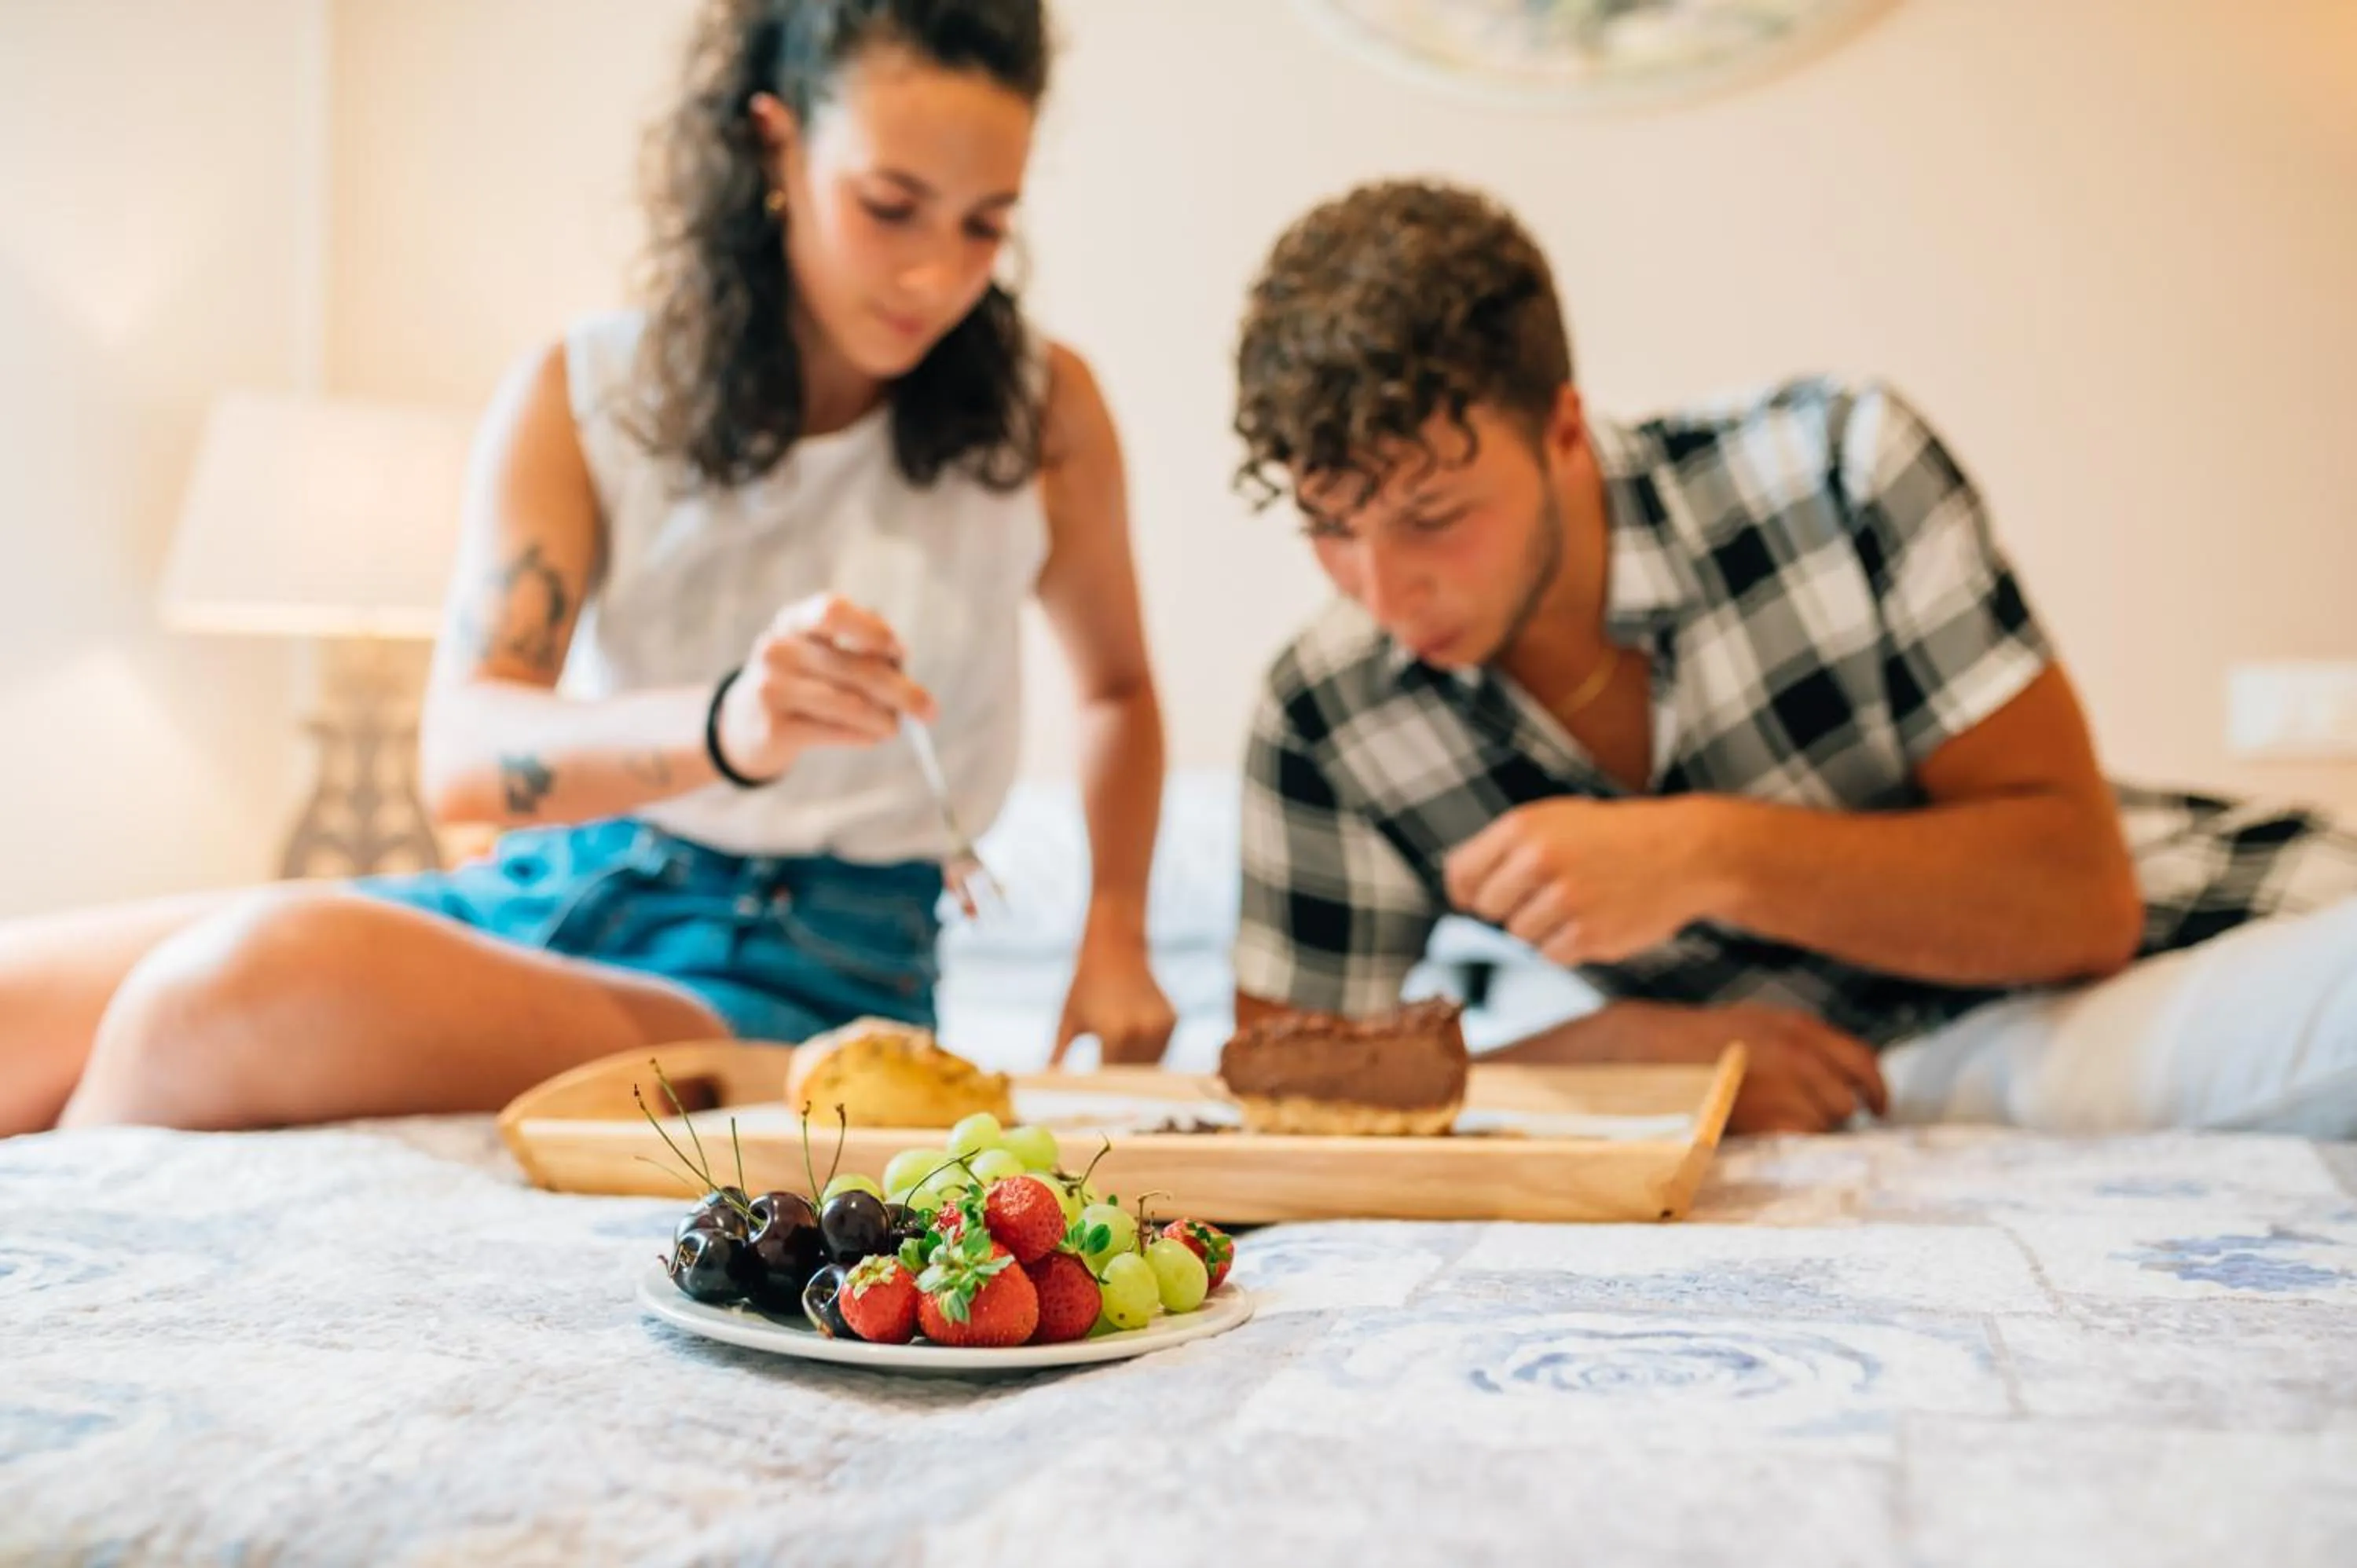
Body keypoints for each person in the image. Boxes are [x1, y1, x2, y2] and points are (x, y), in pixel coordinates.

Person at [1, 0, 1174, 1137]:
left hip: (804, 976)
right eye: (890, 206)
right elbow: (461, 760)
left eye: (985, 223)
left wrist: (1113, 930)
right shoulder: (592, 393)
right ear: (778, 142)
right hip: (555, 893)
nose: (935, 273)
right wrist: (727, 728)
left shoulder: (1039, 416)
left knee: (224, 995)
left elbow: (1116, 689)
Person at [1226, 177, 2357, 1137]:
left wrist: (1707, 855)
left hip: (2160, 963)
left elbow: (2083, 901)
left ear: (1565, 430)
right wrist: (1616, 1052)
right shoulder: (1328, 716)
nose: (1383, 590)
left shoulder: (1835, 472)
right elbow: (1285, 1097)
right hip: (1888, 1090)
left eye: (1434, 515)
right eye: (1330, 526)